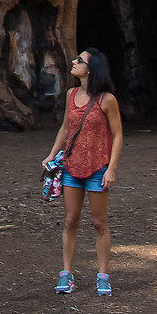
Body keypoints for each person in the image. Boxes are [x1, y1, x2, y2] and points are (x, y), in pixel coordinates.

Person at [44, 47, 123, 296]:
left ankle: (103, 275)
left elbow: (118, 135)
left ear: (91, 69)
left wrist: (111, 169)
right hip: (71, 166)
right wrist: (52, 154)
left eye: (79, 60)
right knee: (70, 220)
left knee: (99, 223)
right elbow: (66, 128)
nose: (73, 62)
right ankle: (66, 273)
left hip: (98, 168)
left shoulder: (106, 100)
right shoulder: (71, 94)